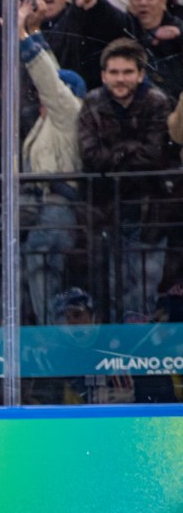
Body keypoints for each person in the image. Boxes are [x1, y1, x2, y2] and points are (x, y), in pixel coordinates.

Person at [77, 37, 173, 321]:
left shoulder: (156, 102)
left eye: (128, 72)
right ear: (104, 75)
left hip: (148, 208)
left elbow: (156, 154)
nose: (121, 79)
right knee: (112, 287)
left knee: (143, 287)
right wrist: (131, 150)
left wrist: (116, 154)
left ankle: (138, 357)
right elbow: (90, 156)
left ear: (141, 74)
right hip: (106, 210)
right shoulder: (92, 103)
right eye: (114, 72)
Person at [17, 0, 84, 326]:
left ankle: (51, 339)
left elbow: (50, 80)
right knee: (22, 274)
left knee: (42, 269)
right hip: (35, 207)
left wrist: (20, 35)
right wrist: (33, 31)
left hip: (57, 206)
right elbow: (53, 72)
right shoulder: (49, 121)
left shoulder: (69, 112)